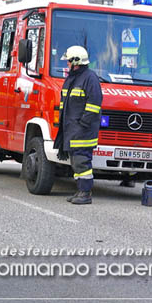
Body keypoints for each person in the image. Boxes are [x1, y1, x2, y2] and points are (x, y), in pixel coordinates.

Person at [54, 46, 103, 205]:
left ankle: (86, 193)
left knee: (82, 161)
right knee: (76, 162)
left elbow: (94, 105)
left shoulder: (90, 78)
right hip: (72, 130)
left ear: (76, 61)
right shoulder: (72, 79)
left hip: (83, 131)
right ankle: (80, 190)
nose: (67, 64)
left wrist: (83, 124)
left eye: (68, 61)